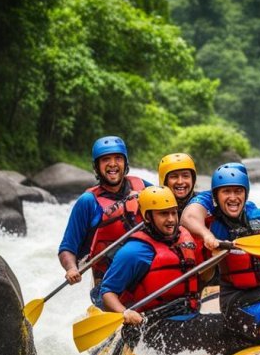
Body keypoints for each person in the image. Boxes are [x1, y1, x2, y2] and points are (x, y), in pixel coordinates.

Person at [181, 163, 260, 344]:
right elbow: (188, 217)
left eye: (238, 191)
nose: (233, 197)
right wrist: (208, 237)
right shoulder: (213, 221)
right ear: (216, 196)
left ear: (246, 193)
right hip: (239, 303)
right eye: (226, 192)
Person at [58, 136, 152, 304]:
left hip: (146, 276)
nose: (112, 164)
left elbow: (169, 214)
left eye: (118, 158)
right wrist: (72, 268)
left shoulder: (144, 187)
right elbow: (67, 248)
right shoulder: (87, 202)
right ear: (97, 167)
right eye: (105, 159)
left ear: (125, 163)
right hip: (109, 286)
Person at [99, 186, 202, 324]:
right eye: (164, 214)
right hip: (153, 325)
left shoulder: (186, 238)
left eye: (174, 213)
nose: (171, 219)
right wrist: (125, 313)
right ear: (148, 216)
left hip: (190, 315)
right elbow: (107, 292)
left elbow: (203, 276)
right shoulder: (133, 252)